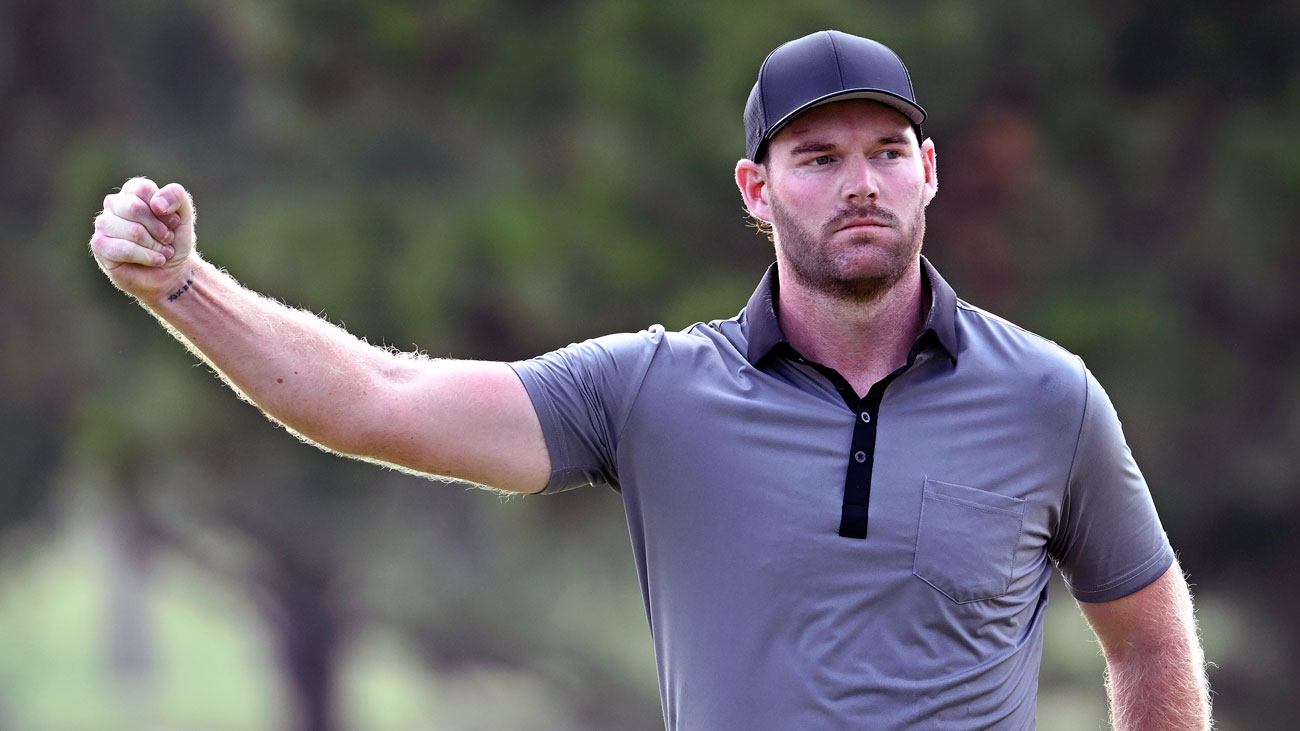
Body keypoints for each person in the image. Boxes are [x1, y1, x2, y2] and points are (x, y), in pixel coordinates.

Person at [90, 29, 1210, 730]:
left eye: (883, 153)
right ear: (756, 191)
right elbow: (375, 396)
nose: (858, 183)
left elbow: (1149, 633)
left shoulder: (1047, 398)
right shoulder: (650, 395)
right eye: (817, 159)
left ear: (928, 172)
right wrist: (184, 285)